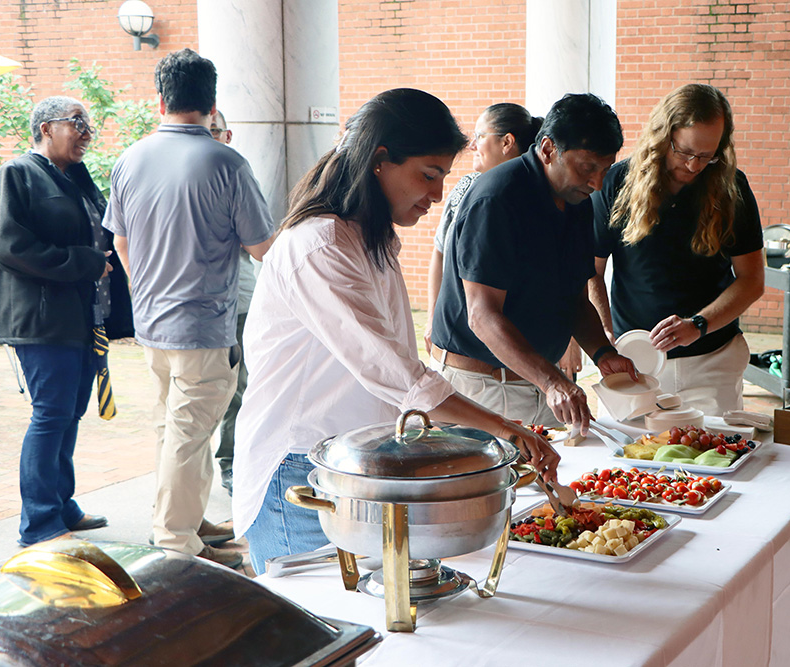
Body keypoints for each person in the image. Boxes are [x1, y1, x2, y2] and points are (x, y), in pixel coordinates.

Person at [232, 88, 559, 575]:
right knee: (327, 621)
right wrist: (502, 428)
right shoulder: (320, 245)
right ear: (380, 160)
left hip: (359, 465)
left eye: (443, 177)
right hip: (301, 471)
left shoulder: (370, 238)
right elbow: (393, 372)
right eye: (428, 174)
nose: (437, 194)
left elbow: (398, 374)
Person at [103, 49, 275, 569]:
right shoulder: (226, 162)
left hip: (152, 323)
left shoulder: (130, 159)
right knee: (189, 430)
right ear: (211, 103)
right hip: (203, 325)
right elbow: (262, 247)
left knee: (175, 428)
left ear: (161, 101)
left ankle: (189, 520)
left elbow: (121, 241)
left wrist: (147, 290)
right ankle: (176, 540)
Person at [429, 93, 636, 435]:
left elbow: (575, 298)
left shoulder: (578, 202)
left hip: (539, 382)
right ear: (548, 149)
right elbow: (482, 315)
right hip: (485, 387)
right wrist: (552, 381)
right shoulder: (497, 198)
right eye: (587, 167)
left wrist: (602, 352)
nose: (597, 183)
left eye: (605, 170)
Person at [0, 96, 130, 547]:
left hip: (82, 316)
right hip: (42, 320)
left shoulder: (73, 179)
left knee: (70, 414)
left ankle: (62, 505)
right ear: (46, 128)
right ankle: (39, 524)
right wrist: (85, 262)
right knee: (50, 415)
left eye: (89, 125)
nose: (87, 133)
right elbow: (10, 248)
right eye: (77, 123)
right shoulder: (17, 175)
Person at [589, 83, 764, 417]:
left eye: (707, 155)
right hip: (636, 360)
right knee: (629, 448)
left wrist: (698, 324)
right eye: (685, 152)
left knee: (715, 448)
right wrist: (604, 333)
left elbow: (752, 280)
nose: (695, 165)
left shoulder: (732, 187)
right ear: (663, 136)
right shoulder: (616, 181)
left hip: (713, 360)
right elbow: (591, 271)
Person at [424, 103, 542, 354]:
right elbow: (440, 253)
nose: (472, 146)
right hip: (462, 349)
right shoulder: (466, 188)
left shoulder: (540, 195)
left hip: (524, 348)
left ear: (507, 142)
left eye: (479, 136)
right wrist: (433, 318)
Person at [209, 109, 256, 495]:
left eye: (216, 131)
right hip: (200, 306)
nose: (209, 136)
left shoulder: (236, 172)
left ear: (228, 135)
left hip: (240, 299)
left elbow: (257, 237)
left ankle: (232, 462)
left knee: (241, 387)